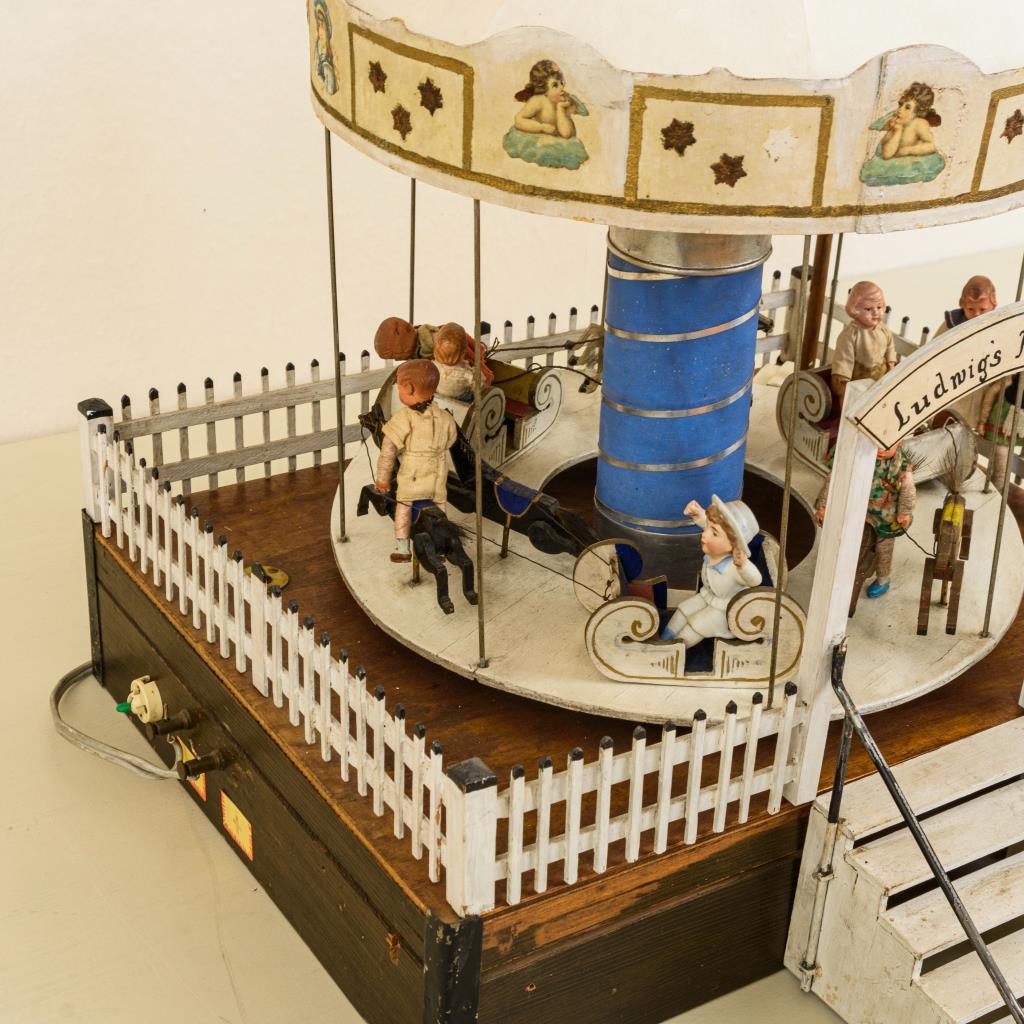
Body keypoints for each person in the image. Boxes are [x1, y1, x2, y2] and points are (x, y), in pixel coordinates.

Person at [375, 360, 457, 563]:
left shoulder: (403, 418)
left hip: (413, 472)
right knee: (440, 509)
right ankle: (440, 548)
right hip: (438, 473)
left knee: (403, 507)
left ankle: (403, 548)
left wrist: (383, 479)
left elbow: (388, 451)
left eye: (399, 389)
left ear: (409, 389)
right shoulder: (445, 417)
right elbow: (451, 440)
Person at [816, 443, 917, 598]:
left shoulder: (900, 464)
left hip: (885, 512)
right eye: (877, 443)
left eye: (888, 445)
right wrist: (824, 505)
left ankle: (883, 578)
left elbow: (908, 488)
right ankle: (838, 567)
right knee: (842, 536)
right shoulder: (856, 454)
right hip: (855, 505)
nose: (881, 449)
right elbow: (834, 477)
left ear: (899, 443)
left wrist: (905, 512)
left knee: (884, 546)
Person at [660, 497, 762, 646]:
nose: (705, 534)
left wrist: (743, 565)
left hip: (724, 610)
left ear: (733, 545)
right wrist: (699, 514)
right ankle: (664, 640)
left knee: (696, 624)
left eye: (714, 533)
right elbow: (710, 526)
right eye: (707, 527)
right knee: (683, 610)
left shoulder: (734, 567)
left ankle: (675, 650)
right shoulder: (719, 547)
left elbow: (756, 580)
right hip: (707, 596)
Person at [502, 60, 589, 170]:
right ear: (543, 89)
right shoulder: (538, 101)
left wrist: (560, 109)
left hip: (560, 140)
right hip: (539, 138)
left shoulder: (564, 101)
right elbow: (519, 120)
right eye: (555, 85)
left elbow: (567, 134)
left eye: (561, 82)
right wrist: (541, 127)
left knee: (570, 149)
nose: (561, 88)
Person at [860, 82, 945, 186]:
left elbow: (930, 146)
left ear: (918, 112)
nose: (900, 110)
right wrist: (897, 131)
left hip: (911, 160)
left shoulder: (919, 123)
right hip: (889, 163)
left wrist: (908, 150)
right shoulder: (896, 122)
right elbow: (886, 155)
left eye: (907, 107)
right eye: (901, 105)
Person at [831, 281, 897, 404]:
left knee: (879, 399)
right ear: (855, 309)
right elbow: (844, 358)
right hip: (858, 378)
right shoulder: (851, 335)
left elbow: (890, 347)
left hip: (880, 375)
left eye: (879, 307)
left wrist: (891, 363)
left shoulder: (883, 330)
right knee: (851, 400)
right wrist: (843, 378)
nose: (875, 312)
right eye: (868, 309)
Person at [432, 323, 476, 400]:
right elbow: (479, 384)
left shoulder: (434, 366)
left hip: (439, 395)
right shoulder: (466, 373)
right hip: (460, 399)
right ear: (464, 352)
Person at [313, 0, 337, 96]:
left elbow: (331, 90)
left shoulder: (332, 53)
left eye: (322, 23)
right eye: (318, 24)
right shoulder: (318, 46)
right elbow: (318, 72)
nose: (320, 29)